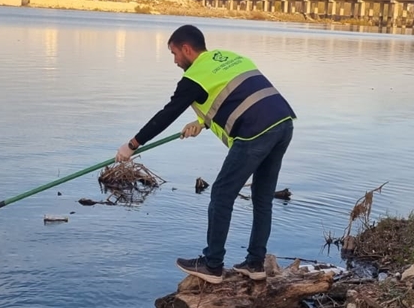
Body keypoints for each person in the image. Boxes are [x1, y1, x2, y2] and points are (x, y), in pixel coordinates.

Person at [116, 25, 295, 284]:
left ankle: (212, 265)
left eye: (174, 53)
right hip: (283, 123)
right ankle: (255, 264)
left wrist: (131, 145)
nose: (175, 61)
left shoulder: (195, 77)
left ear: (187, 49)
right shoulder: (228, 57)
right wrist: (202, 122)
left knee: (222, 194)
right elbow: (235, 96)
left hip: (255, 132)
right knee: (262, 198)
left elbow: (166, 114)